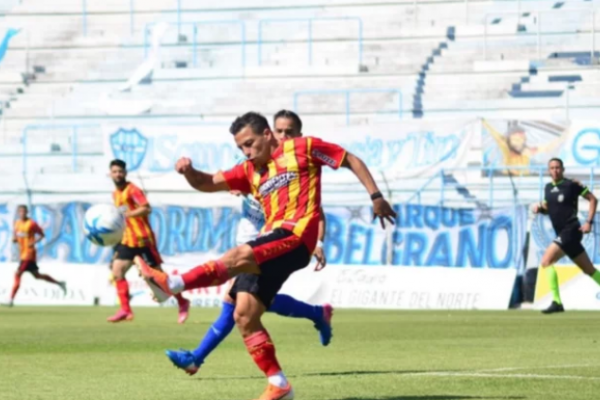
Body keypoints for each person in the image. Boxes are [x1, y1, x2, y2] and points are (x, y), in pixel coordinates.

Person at [136, 112, 396, 400]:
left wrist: (376, 196)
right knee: (244, 314)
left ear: (267, 135)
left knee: (238, 255)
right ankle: (279, 383)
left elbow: (350, 159)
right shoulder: (249, 171)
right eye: (240, 148)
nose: (246, 152)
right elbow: (209, 182)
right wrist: (189, 172)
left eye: (249, 143)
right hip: (271, 242)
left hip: (296, 237)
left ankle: (171, 285)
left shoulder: (303, 148)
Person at [165, 110, 333, 377]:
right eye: (280, 130)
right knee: (246, 303)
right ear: (269, 132)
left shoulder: (297, 168)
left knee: (235, 304)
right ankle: (316, 313)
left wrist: (318, 242)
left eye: (289, 132)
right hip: (251, 238)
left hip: (278, 241)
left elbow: (316, 213)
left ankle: (197, 356)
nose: (283, 136)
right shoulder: (251, 163)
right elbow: (218, 180)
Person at [107, 159, 190, 323]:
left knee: (158, 277)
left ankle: (182, 301)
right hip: (127, 241)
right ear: (110, 173)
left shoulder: (133, 189)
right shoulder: (115, 194)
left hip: (143, 240)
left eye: (120, 171)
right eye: (114, 171)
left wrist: (127, 214)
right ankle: (125, 310)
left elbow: (146, 208)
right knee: (117, 272)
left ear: (125, 173)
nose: (118, 174)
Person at [532, 158, 599, 314]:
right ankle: (557, 303)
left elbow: (593, 199)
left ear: (563, 169)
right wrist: (540, 209)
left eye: (557, 167)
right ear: (549, 170)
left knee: (546, 261)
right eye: (552, 168)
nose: (555, 170)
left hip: (571, 230)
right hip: (563, 233)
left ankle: (557, 302)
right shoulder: (548, 188)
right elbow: (549, 208)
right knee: (589, 270)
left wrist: (589, 222)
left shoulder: (571, 185)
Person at [8, 205, 66, 306]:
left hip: (29, 254)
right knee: (37, 276)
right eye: (20, 211)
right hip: (22, 254)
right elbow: (15, 235)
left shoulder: (32, 223)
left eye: (24, 211)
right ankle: (60, 283)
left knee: (18, 273)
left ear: (27, 212)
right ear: (18, 213)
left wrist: (34, 242)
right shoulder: (17, 224)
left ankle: (10, 299)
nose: (22, 213)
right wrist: (14, 239)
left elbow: (42, 234)